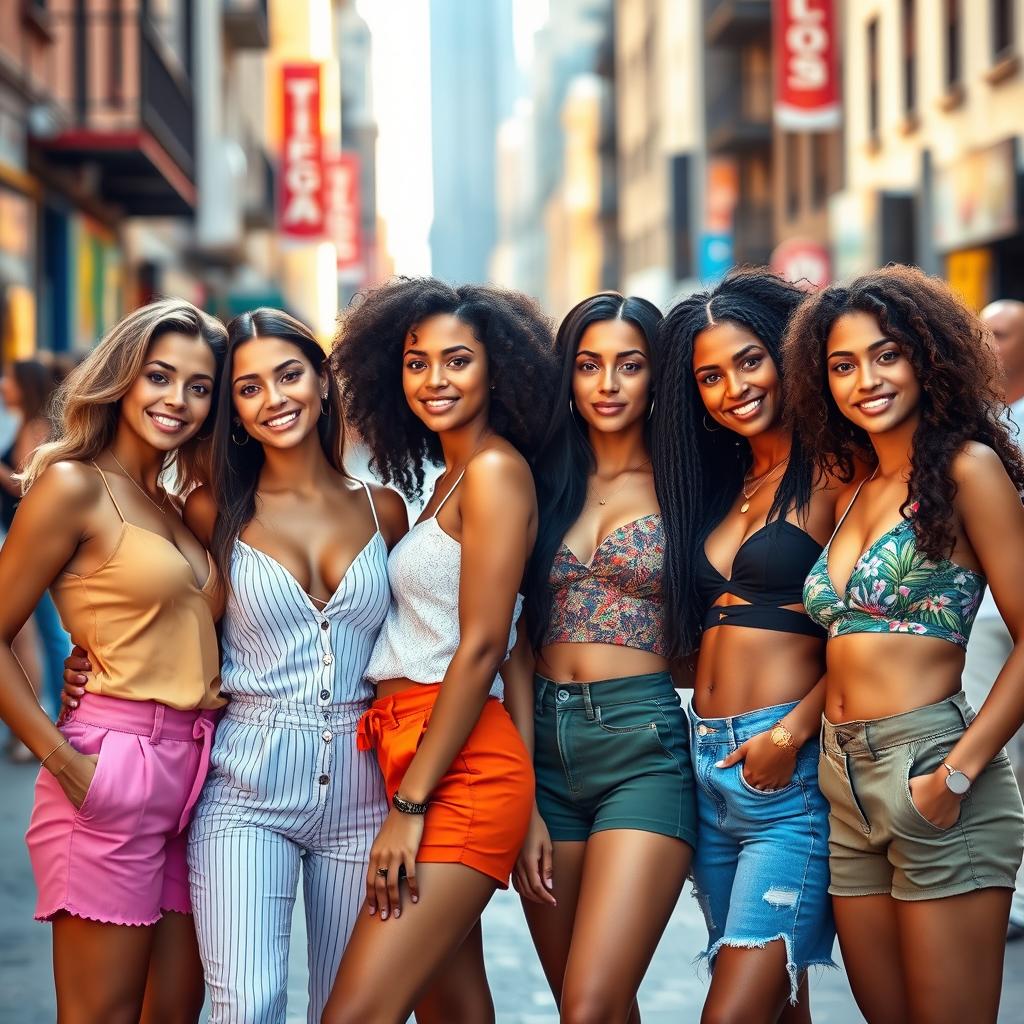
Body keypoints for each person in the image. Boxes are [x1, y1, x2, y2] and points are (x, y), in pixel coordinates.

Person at [63, 307, 408, 1023]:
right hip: (244, 788)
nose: (274, 399)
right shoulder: (210, 510)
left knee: (350, 1009)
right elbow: (162, 611)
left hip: (364, 793)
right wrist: (87, 653)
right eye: (248, 389)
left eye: (288, 376)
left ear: (321, 381)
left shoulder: (385, 512)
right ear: (236, 414)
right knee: (247, 1005)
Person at [788, 265, 1024, 1024]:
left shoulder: (967, 470)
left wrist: (954, 776)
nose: (866, 379)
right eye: (843, 364)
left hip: (932, 770)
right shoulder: (854, 484)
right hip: (843, 780)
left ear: (927, 356)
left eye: (886, 354)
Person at [322, 278, 555, 1024]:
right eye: (417, 362)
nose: (434, 380)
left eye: (457, 360)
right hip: (411, 747)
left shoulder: (493, 471)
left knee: (354, 1013)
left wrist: (410, 804)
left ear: (498, 369)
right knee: (450, 1008)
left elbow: (484, 645)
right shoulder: (445, 479)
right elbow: (513, 640)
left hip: (453, 770)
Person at [0, 299, 227, 1023]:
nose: (178, 401)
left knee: (175, 1011)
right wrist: (65, 760)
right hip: (112, 769)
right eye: (160, 376)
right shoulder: (74, 486)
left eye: (200, 386)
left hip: (196, 776)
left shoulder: (173, 502)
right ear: (124, 376)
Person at [654, 268, 840, 1023]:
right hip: (708, 768)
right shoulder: (725, 481)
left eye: (749, 361)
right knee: (775, 1007)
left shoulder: (838, 469)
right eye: (709, 376)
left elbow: (866, 628)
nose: (733, 387)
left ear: (788, 354)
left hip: (786, 777)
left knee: (730, 1012)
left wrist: (791, 733)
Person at [513, 292, 696, 1024]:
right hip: (544, 751)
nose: (608, 384)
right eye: (588, 365)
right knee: (588, 1006)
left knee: (590, 1004)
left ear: (657, 376)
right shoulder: (539, 476)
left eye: (630, 364)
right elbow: (515, 642)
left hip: (642, 746)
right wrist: (522, 786)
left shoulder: (690, 482)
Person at [966, 299, 1024, 940]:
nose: (991, 345)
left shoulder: (975, 458)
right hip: (979, 612)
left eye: (1003, 334)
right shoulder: (975, 426)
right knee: (997, 735)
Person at [0, 359, 72, 726]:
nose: (3, 385)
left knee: (48, 630)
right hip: (22, 538)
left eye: (8, 378)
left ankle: (61, 713)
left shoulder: (39, 425)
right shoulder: (25, 422)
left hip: (32, 541)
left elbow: (24, 482)